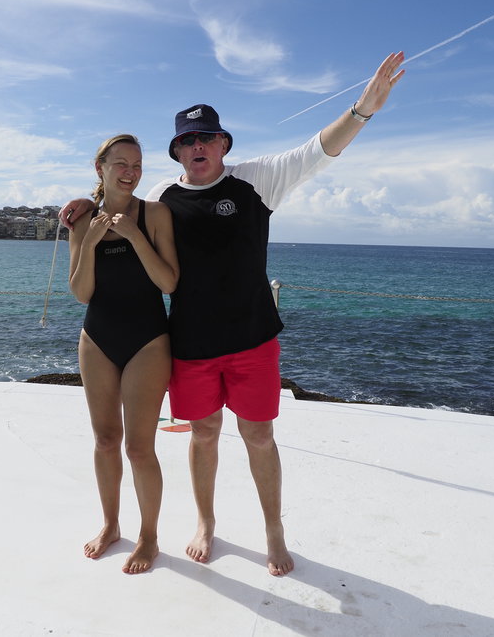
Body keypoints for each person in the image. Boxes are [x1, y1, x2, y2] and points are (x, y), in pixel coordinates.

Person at [62, 52, 405, 576]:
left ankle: (274, 530)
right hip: (192, 343)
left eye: (207, 138)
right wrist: (80, 208)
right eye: (187, 142)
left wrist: (362, 110)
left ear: (223, 143)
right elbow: (116, 201)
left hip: (252, 338)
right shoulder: (160, 197)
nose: (197, 147)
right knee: (202, 433)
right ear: (177, 151)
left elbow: (318, 151)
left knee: (260, 436)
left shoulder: (256, 181)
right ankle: (205, 524)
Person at [68, 134, 179, 574]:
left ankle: (149, 536)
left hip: (148, 339)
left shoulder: (156, 215)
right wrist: (91, 240)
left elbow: (169, 283)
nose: (130, 172)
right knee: (105, 440)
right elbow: (81, 293)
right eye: (121, 164)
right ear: (101, 168)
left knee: (138, 447)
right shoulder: (81, 219)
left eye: (136, 164)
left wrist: (133, 235)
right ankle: (111, 525)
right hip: (97, 338)